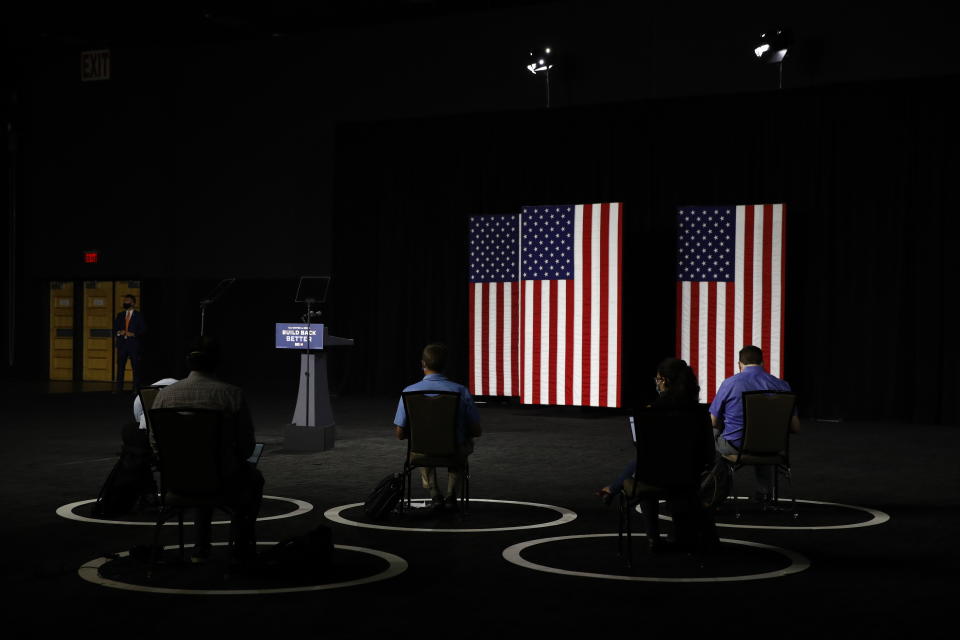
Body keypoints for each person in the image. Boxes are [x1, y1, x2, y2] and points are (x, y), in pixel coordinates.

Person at [151, 337, 263, 563]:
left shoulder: (164, 395)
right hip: (221, 480)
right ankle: (242, 549)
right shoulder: (231, 394)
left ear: (187, 362)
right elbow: (246, 446)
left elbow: (156, 445)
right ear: (217, 362)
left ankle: (200, 548)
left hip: (177, 482)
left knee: (203, 468)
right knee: (253, 479)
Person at [597, 358, 716, 552]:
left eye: (658, 379)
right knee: (658, 468)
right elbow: (708, 454)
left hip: (654, 477)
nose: (656, 383)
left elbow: (645, 452)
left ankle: (653, 537)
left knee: (646, 467)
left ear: (665, 382)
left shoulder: (649, 414)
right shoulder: (700, 413)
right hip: (690, 479)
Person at [393, 343, 481, 513]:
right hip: (454, 452)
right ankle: (451, 496)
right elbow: (476, 430)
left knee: (424, 441)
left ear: (423, 364)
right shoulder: (461, 391)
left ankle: (434, 494)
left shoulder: (409, 392)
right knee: (462, 444)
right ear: (445, 366)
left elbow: (400, 434)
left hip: (422, 453)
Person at [709, 345, 800, 502]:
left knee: (710, 433)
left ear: (739, 364)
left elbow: (714, 421)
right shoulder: (783, 385)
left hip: (737, 448)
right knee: (762, 437)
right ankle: (764, 492)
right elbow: (795, 427)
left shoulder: (730, 384)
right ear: (763, 363)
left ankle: (713, 492)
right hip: (773, 448)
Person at [114, 294, 146, 391]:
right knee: (120, 368)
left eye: (127, 301)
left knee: (135, 368)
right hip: (122, 345)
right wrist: (119, 332)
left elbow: (144, 329)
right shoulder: (120, 315)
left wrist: (134, 334)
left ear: (132, 303)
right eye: (124, 301)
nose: (125, 302)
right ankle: (119, 388)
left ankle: (136, 388)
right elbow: (115, 329)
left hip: (134, 345)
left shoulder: (139, 315)